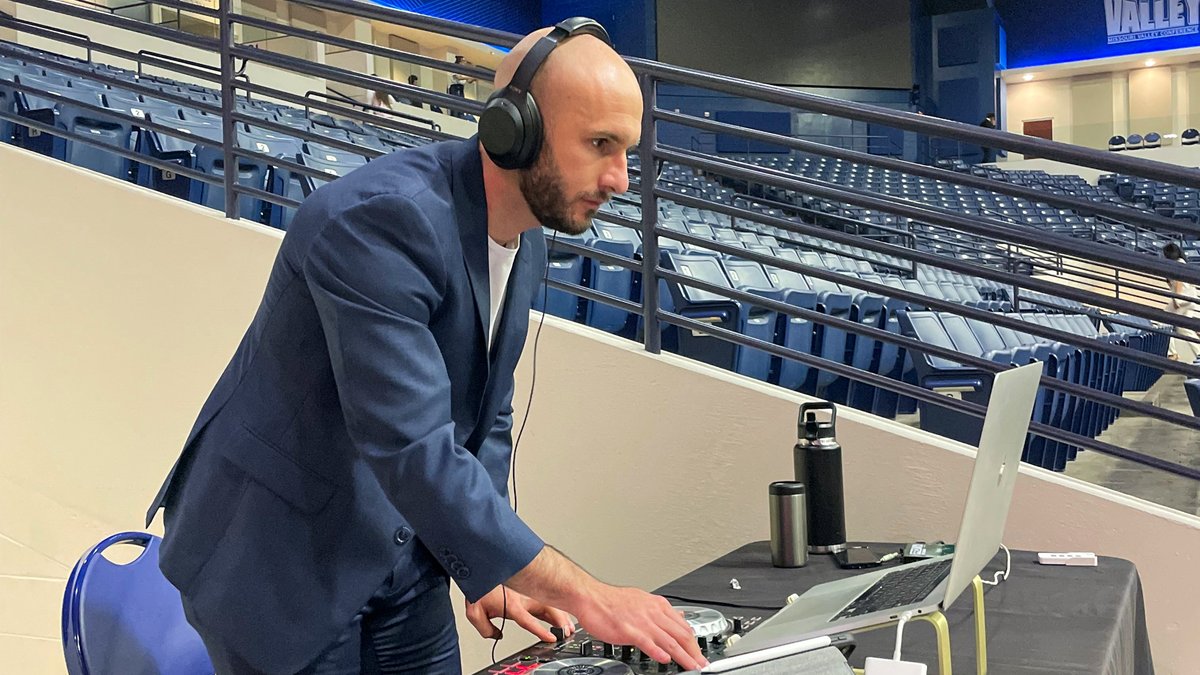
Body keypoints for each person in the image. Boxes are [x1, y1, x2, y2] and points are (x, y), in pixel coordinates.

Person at [145, 18, 707, 675]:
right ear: (514, 128)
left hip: (400, 549)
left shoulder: (521, 238)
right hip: (280, 557)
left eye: (628, 151)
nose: (619, 177)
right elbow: (413, 444)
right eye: (600, 144)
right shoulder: (380, 222)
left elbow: (486, 414)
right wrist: (587, 592)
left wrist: (494, 565)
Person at [1163, 243, 1198, 362]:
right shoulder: (1182, 261)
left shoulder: (1177, 263)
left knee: (1163, 323)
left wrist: (1175, 299)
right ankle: (1197, 353)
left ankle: (1172, 354)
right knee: (1184, 329)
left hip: (1182, 300)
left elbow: (1178, 282)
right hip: (1189, 299)